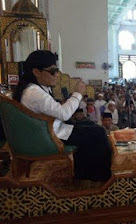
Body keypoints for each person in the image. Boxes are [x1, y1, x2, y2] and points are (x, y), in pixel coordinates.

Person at [13, 50, 112, 182]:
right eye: (52, 71)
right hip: (50, 135)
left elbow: (55, 110)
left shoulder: (34, 88)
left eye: (57, 70)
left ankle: (83, 172)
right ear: (36, 72)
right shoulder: (33, 93)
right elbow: (64, 114)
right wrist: (78, 93)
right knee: (98, 132)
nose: (56, 75)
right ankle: (98, 176)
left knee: (90, 125)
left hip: (50, 128)